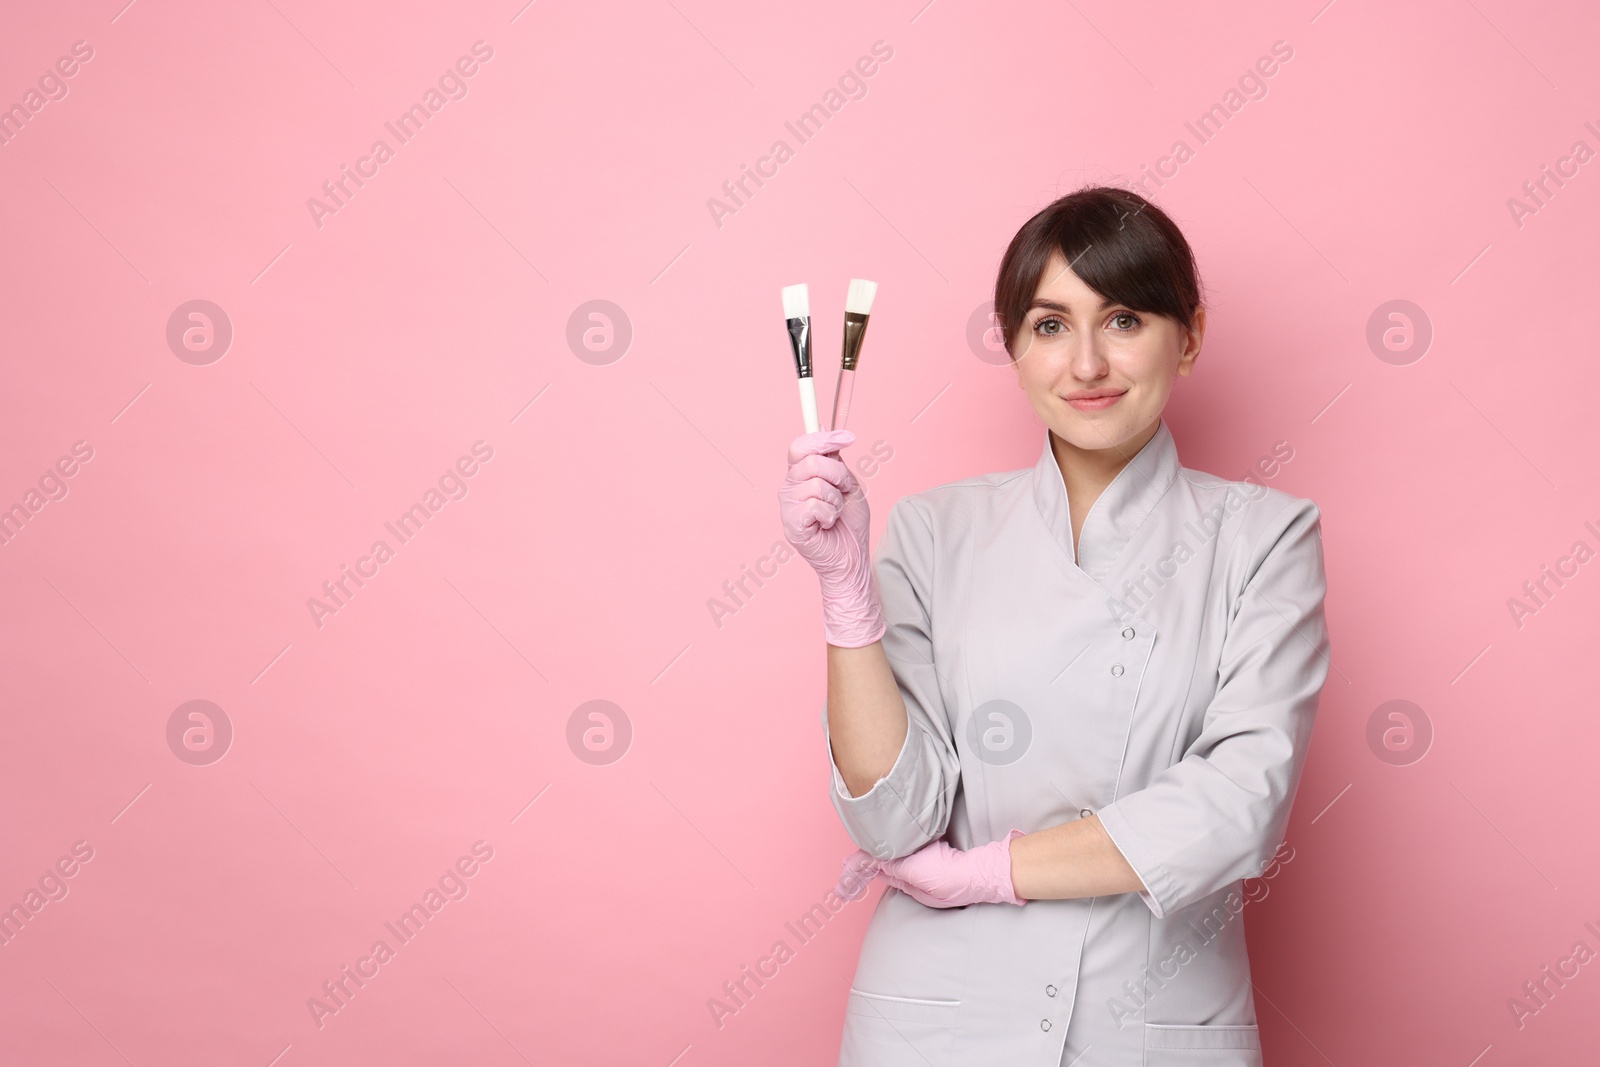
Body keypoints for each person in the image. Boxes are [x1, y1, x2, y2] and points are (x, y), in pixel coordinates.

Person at [778, 186, 1331, 1067]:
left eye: (1122, 319)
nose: (1085, 364)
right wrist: (846, 597)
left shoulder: (1264, 537)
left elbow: (1240, 804)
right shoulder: (934, 531)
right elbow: (893, 821)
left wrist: (987, 871)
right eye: (1048, 325)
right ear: (1013, 348)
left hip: (1150, 1023)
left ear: (1187, 337)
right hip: (939, 1022)